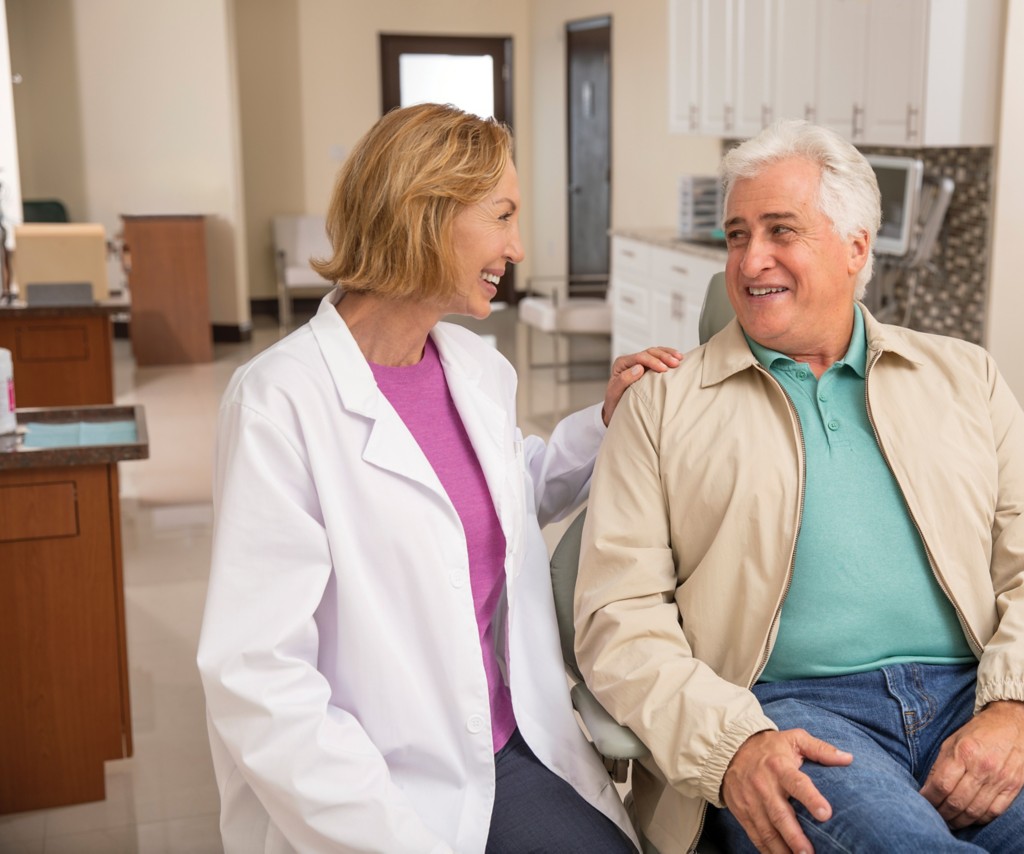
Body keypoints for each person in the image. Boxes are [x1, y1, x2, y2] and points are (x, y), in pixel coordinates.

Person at [573, 120, 1024, 854]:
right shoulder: (663, 405)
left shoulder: (963, 378)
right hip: (785, 715)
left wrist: (1019, 708)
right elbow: (618, 618)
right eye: (736, 235)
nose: (751, 258)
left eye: (779, 230)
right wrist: (731, 746)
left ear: (856, 247)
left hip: (975, 695)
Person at [197, 103, 680, 853]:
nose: (517, 246)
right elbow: (258, 680)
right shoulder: (279, 402)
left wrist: (605, 422)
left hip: (503, 752)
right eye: (502, 215)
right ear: (425, 214)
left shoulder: (474, 367)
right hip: (366, 787)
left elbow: (501, 496)